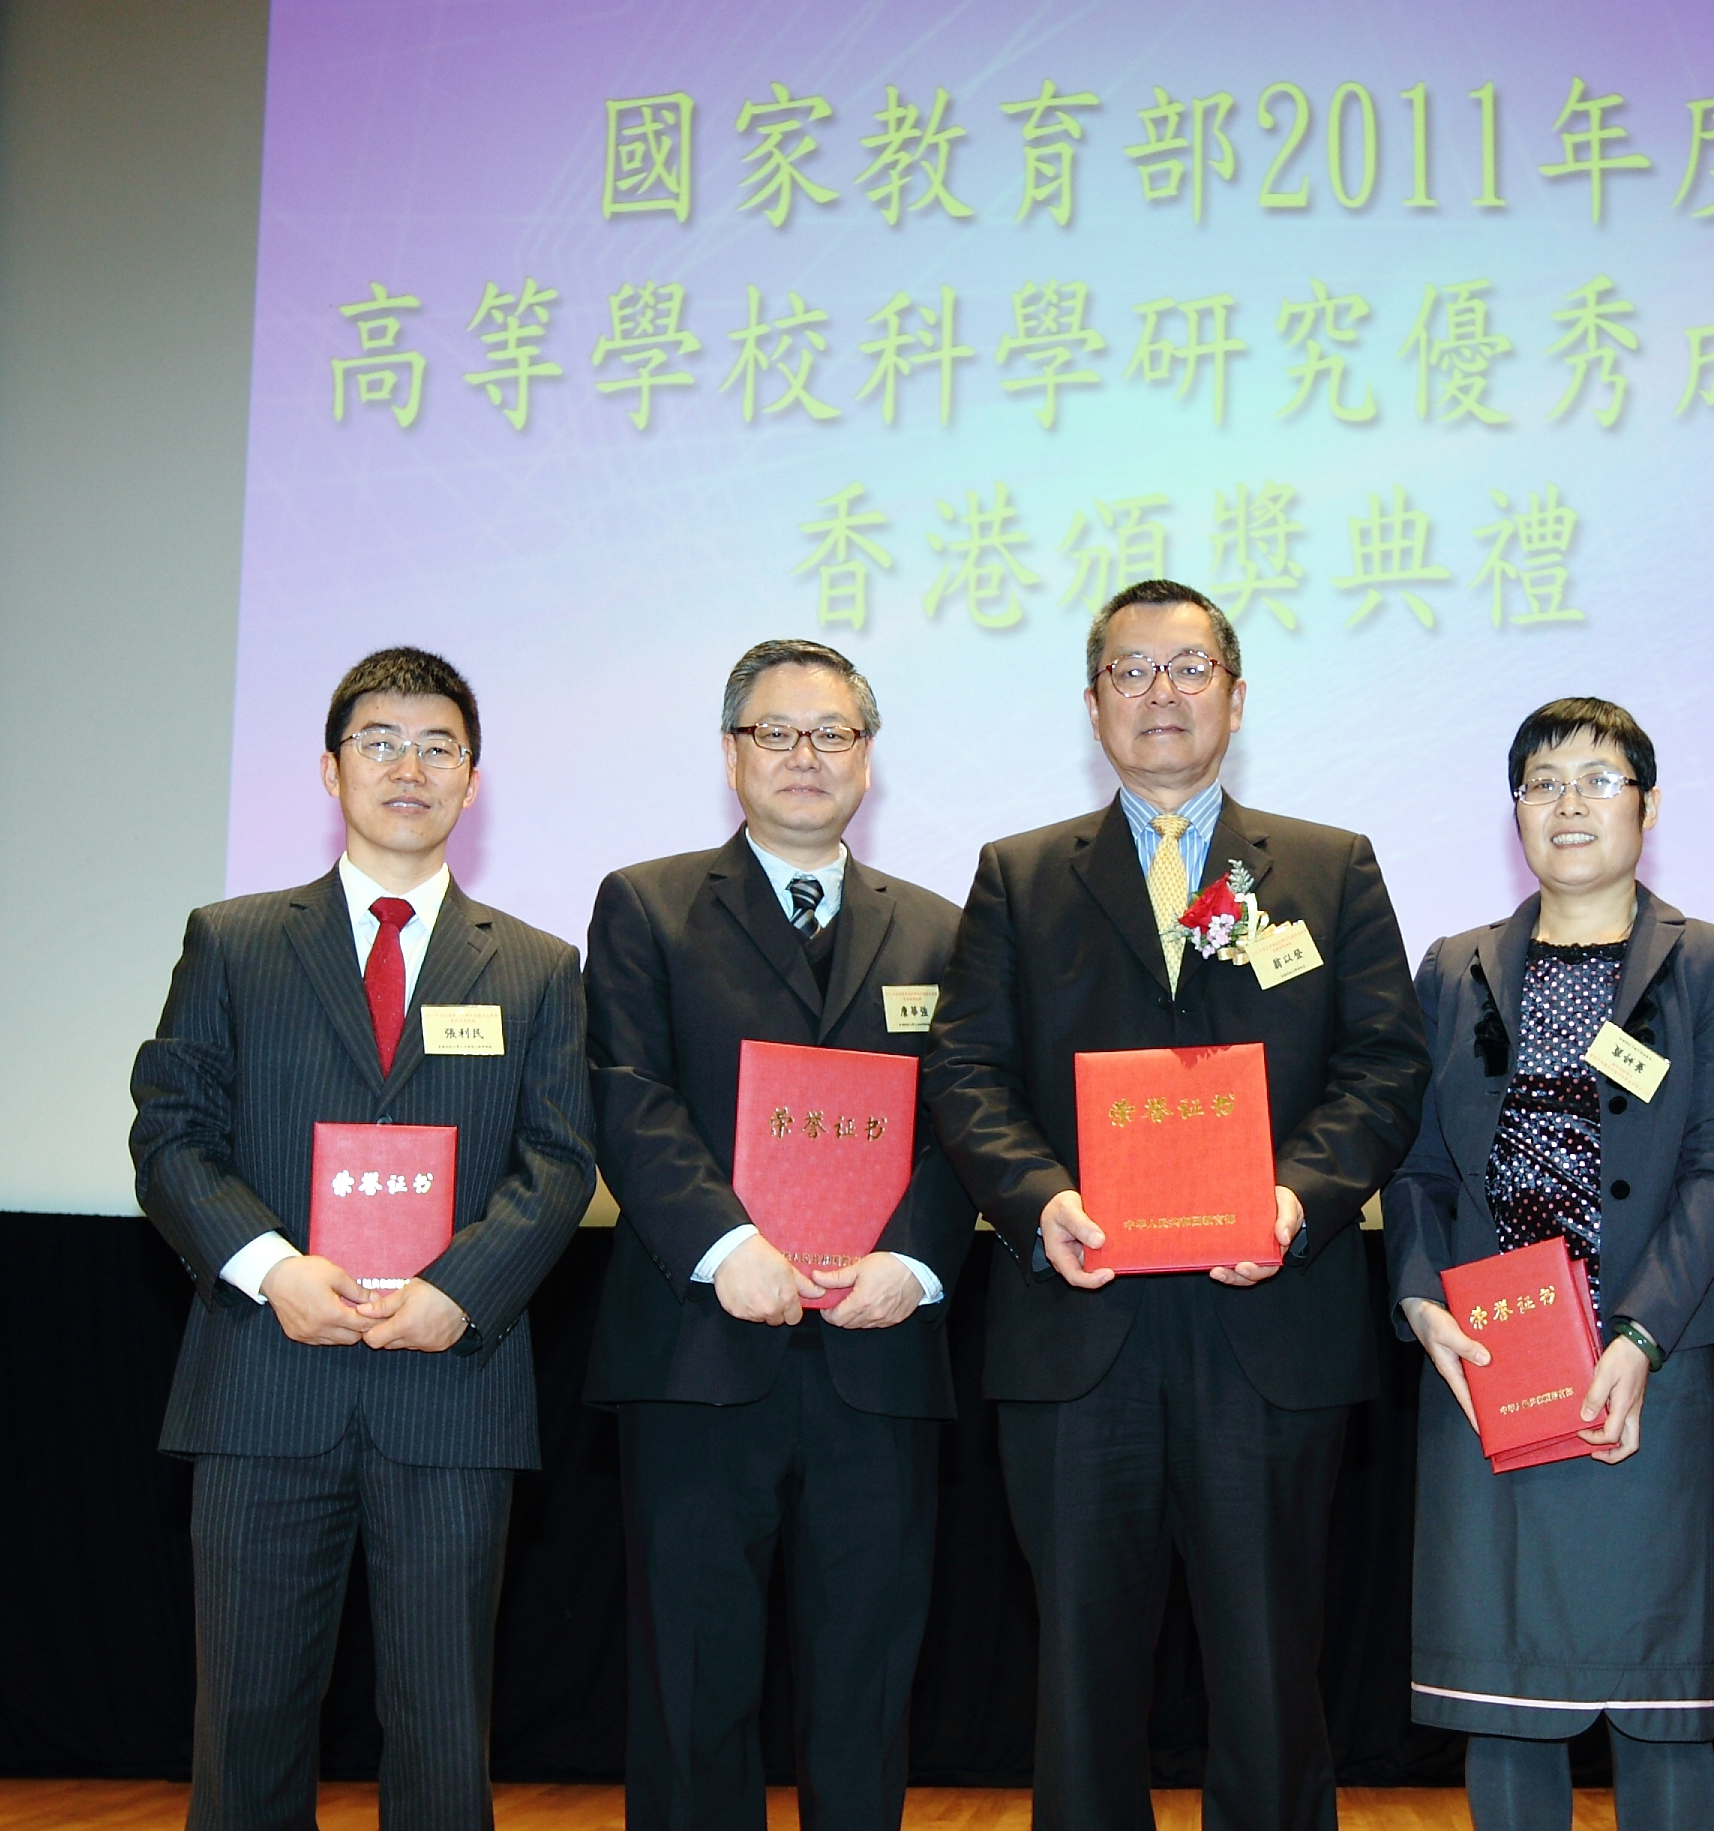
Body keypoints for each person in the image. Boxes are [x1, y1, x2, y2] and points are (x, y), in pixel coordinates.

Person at [924, 579, 1431, 1831]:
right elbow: (967, 1070)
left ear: (1238, 696)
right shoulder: (1019, 875)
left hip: (1268, 1327)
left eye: (1189, 667)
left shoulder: (1328, 866)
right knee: (1082, 1679)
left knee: (1270, 1669)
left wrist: (1294, 1199)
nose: (1162, 693)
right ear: (1092, 702)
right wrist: (1036, 1198)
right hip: (1077, 1331)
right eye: (1132, 670)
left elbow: (1385, 1063)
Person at [130, 646, 596, 1831]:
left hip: (453, 1386)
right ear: (330, 771)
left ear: (473, 781)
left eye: (439, 745)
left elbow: (559, 1161)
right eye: (381, 740)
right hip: (264, 1380)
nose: (410, 766)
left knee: (443, 1732)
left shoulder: (538, 969)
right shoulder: (234, 942)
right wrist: (271, 1267)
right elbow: (172, 1134)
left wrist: (461, 1288)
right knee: (246, 1725)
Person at [584, 640, 976, 1831]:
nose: (806, 758)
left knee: (867, 1684)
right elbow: (628, 1093)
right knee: (692, 1685)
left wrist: (910, 1262)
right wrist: (724, 1245)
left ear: (869, 757)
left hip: (878, 1352)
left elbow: (969, 1123)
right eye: (776, 733)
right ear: (731, 752)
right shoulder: (646, 904)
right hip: (701, 1350)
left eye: (834, 734)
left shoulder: (942, 930)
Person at [1387, 698, 1714, 1831]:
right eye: (1543, 781)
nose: (1569, 804)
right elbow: (1414, 1170)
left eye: (1600, 780)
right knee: (1503, 1695)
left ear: (1647, 808)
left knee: (1658, 1695)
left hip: (1649, 1360)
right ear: (1514, 812)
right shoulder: (1453, 967)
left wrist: (1640, 1333)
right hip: (1486, 1368)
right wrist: (1420, 1301)